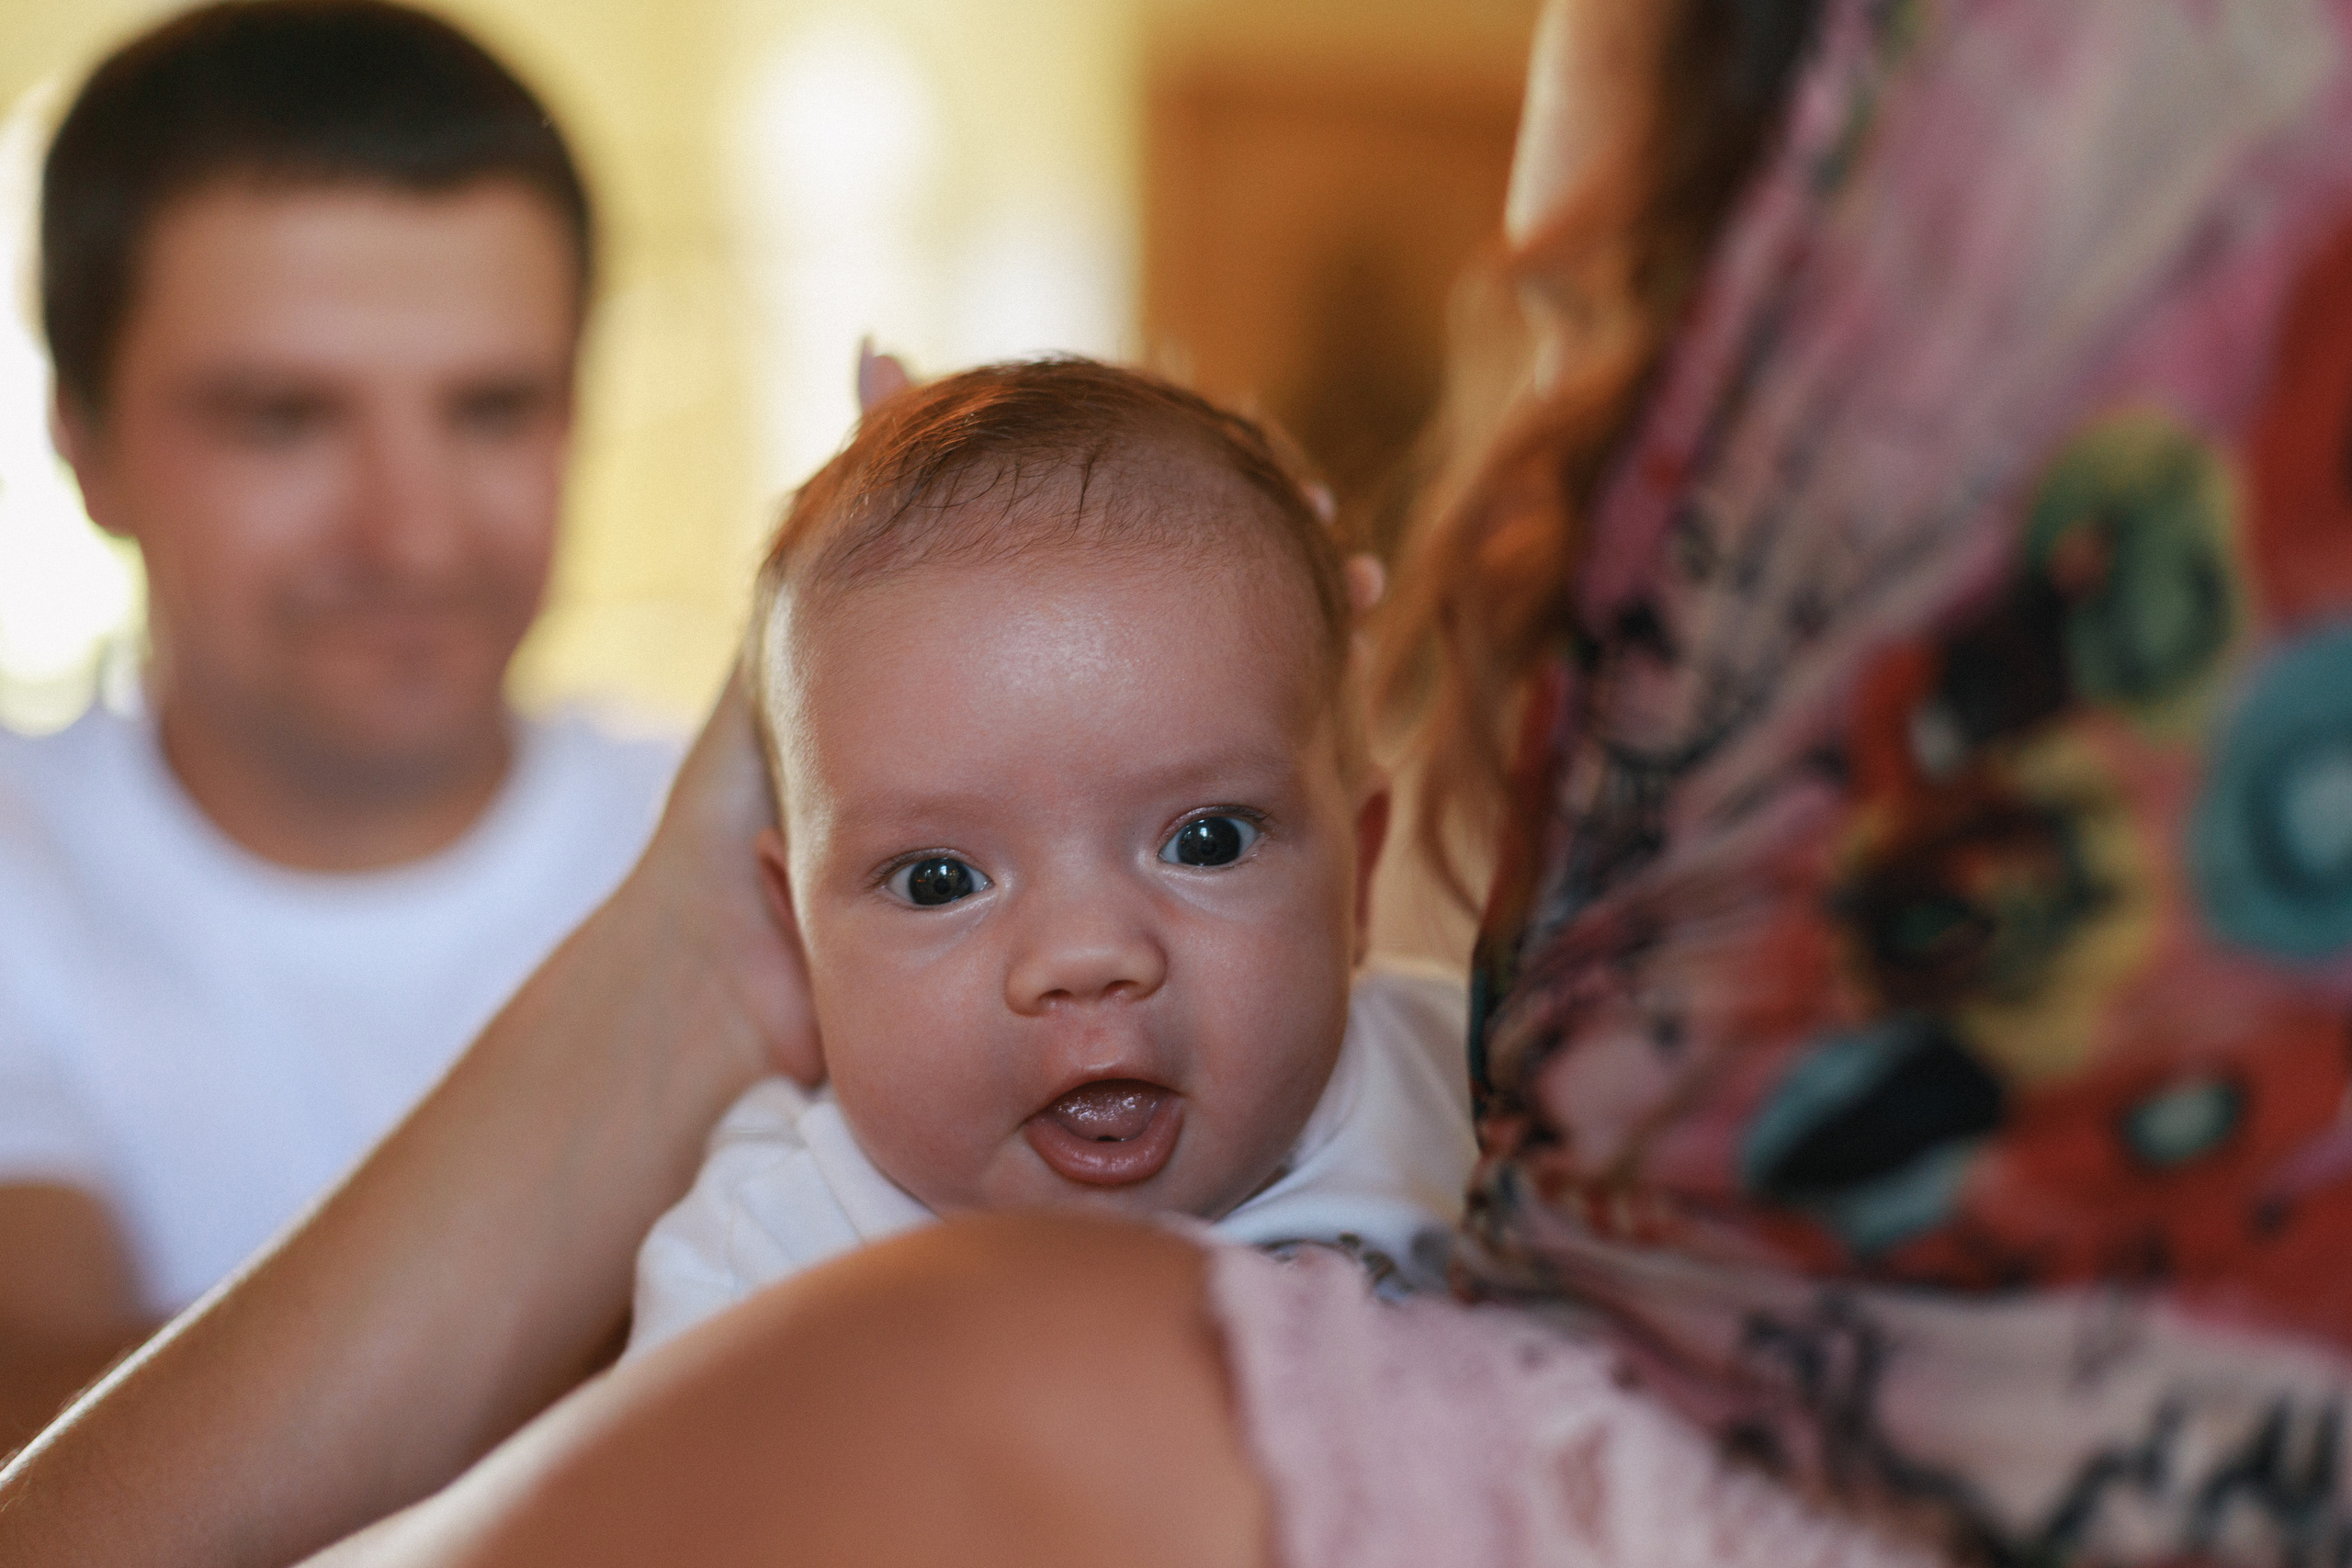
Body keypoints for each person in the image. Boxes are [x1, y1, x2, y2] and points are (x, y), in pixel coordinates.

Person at [15, 0, 2352, 1563]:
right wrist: (707, 955)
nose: (1498, 507)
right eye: (934, 869)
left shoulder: (1412, 1147)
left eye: (1576, 334)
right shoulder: (817, 1231)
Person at [0, 0, 673, 1456]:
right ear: (85, 442)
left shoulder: (801, 840)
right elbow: (38, 1459)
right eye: (282, 418)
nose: (410, 533)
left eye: (492, 408)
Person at [625, 357, 1474, 1357]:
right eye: (940, 881)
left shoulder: (1462, 1087)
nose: (1085, 956)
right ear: (799, 926)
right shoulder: (774, 1256)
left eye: (1206, 842)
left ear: (1359, 878)